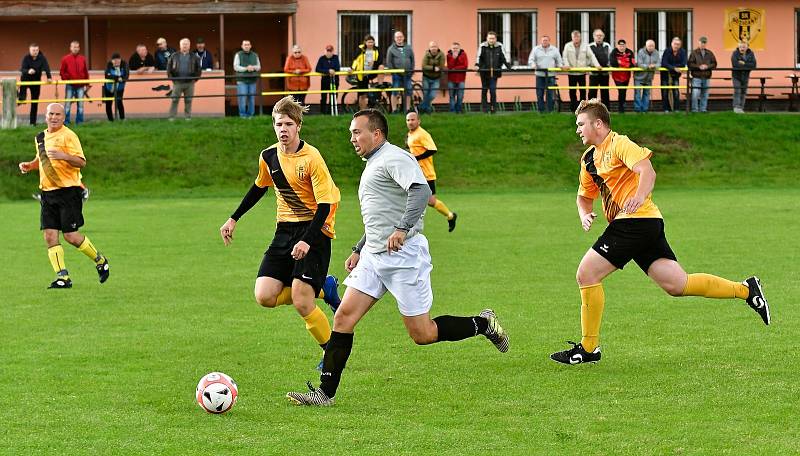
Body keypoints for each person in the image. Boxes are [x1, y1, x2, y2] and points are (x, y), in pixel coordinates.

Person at [286, 109, 508, 406]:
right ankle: (325, 394)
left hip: (404, 256)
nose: (352, 138)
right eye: (351, 132)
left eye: (357, 132)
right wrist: (359, 247)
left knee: (422, 333)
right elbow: (381, 214)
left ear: (376, 134)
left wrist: (403, 229)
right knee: (343, 317)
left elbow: (420, 192)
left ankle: (483, 324)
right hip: (375, 257)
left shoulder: (395, 158)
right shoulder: (374, 162)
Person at [549, 99, 770, 365]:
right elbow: (584, 196)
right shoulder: (588, 160)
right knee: (677, 284)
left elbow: (647, 171)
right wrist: (585, 214)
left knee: (586, 273)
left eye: (581, 124)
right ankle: (747, 290)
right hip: (645, 224)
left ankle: (588, 348)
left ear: (598, 123)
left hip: (635, 221)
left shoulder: (620, 144)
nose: (578, 130)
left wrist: (639, 196)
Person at [219, 96, 342, 370]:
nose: (283, 129)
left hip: (315, 228)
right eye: (278, 124)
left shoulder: (312, 158)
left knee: (300, 300)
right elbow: (259, 187)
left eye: (288, 123)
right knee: (264, 296)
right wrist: (233, 218)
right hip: (284, 230)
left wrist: (307, 241)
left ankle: (331, 352)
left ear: (298, 126)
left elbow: (324, 205)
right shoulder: (269, 155)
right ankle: (326, 288)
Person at [17, 103, 111, 289]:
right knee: (50, 236)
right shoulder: (40, 137)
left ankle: (100, 260)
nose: (54, 117)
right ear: (46, 116)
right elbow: (42, 159)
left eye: (58, 114)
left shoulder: (69, 135)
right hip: (47, 193)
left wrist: (64, 155)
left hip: (68, 192)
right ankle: (63, 277)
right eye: (51, 114)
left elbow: (81, 162)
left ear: (63, 117)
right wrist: (30, 165)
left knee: (71, 236)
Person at [405, 110, 457, 231]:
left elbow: (432, 149)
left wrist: (415, 158)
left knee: (430, 200)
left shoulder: (422, 134)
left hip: (426, 174)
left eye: (413, 119)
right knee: (411, 196)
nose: (410, 122)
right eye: (408, 120)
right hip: (416, 173)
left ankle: (450, 216)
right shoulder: (411, 134)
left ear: (418, 121)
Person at [562, 30, 601, 112]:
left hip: (582, 72)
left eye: (577, 37)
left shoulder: (585, 46)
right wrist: (566, 64)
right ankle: (573, 109)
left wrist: (597, 65)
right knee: (572, 91)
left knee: (582, 91)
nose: (576, 38)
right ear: (572, 38)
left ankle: (582, 109)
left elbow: (591, 56)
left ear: (580, 37)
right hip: (571, 72)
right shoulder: (567, 46)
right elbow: (565, 57)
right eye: (574, 37)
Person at [166, 38, 201, 121]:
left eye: (186, 44)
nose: (185, 45)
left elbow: (199, 69)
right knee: (174, 100)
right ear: (180, 45)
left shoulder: (194, 56)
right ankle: (172, 117)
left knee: (188, 100)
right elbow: (169, 68)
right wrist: (172, 79)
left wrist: (194, 80)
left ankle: (188, 117)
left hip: (190, 83)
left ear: (189, 45)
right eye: (183, 44)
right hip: (177, 82)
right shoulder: (174, 55)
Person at [475, 31, 509, 113]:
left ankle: (493, 108)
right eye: (490, 38)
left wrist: (509, 66)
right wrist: (477, 65)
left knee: (493, 90)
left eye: (493, 38)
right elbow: (478, 57)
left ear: (496, 39)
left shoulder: (500, 46)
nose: (491, 40)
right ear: (487, 38)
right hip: (484, 72)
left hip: (495, 72)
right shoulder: (482, 46)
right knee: (484, 90)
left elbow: (504, 57)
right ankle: (484, 109)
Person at [528, 35, 563, 113]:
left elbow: (559, 61)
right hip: (539, 75)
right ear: (541, 41)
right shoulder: (536, 49)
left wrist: (561, 67)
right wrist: (533, 65)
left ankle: (549, 110)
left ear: (549, 41)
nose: (545, 42)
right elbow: (531, 60)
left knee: (550, 94)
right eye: (543, 40)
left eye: (546, 40)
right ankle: (541, 111)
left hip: (551, 75)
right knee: (539, 94)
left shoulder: (554, 50)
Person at [19, 43, 52, 125]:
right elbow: (22, 69)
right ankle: (21, 97)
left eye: (37, 50)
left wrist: (49, 77)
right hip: (26, 79)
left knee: (34, 102)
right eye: (33, 50)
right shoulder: (26, 58)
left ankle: (32, 123)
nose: (35, 52)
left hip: (36, 81)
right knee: (22, 96)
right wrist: (28, 71)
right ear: (30, 50)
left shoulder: (42, 58)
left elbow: (46, 67)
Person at [59, 40, 89, 125]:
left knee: (81, 105)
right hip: (70, 85)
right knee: (67, 104)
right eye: (74, 47)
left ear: (79, 48)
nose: (75, 49)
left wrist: (87, 83)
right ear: (70, 48)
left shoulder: (82, 59)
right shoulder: (65, 59)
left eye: (77, 47)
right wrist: (67, 79)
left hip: (80, 85)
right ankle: (66, 122)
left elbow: (85, 71)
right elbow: (62, 72)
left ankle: (79, 122)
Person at [350, 35, 383, 110]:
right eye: (369, 42)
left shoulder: (377, 50)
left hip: (372, 72)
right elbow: (356, 60)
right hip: (362, 74)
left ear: (374, 42)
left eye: (372, 42)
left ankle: (380, 84)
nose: (370, 44)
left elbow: (380, 61)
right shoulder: (361, 50)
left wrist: (374, 63)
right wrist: (352, 68)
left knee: (381, 67)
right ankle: (362, 111)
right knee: (362, 94)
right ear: (365, 42)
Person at [385, 31, 414, 113]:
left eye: (400, 37)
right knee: (395, 91)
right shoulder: (391, 49)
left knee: (408, 91)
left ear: (403, 38)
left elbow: (412, 60)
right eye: (397, 37)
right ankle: (394, 109)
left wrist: (411, 71)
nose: (399, 39)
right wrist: (394, 72)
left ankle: (407, 109)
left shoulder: (409, 48)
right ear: (395, 39)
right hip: (396, 74)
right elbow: (389, 62)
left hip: (407, 74)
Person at [688, 36, 717, 113]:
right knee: (695, 94)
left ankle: (703, 109)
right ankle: (694, 110)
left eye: (704, 42)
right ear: (699, 42)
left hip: (707, 76)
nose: (703, 44)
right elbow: (690, 64)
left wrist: (707, 66)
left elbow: (714, 63)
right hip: (696, 76)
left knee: (705, 94)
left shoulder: (710, 53)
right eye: (701, 42)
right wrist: (699, 67)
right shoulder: (694, 53)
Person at [233, 39, 261, 118]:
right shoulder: (238, 55)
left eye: (248, 44)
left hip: (252, 80)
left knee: (251, 99)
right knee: (242, 98)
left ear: (250, 46)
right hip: (241, 80)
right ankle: (242, 115)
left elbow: (259, 67)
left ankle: (250, 115)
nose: (246, 46)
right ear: (242, 46)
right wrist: (246, 68)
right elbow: (236, 67)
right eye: (245, 45)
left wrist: (253, 67)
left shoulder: (255, 55)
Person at [660, 37, 687, 112]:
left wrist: (674, 67)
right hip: (665, 74)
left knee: (676, 91)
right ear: (672, 44)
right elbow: (664, 63)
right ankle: (666, 109)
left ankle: (676, 109)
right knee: (665, 91)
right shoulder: (667, 51)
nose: (676, 46)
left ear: (680, 45)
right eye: (675, 44)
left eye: (678, 44)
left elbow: (683, 63)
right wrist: (674, 68)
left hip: (675, 75)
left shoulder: (682, 51)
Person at [609, 39, 635, 114]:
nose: (621, 47)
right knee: (621, 91)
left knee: (624, 91)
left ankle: (622, 108)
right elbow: (614, 64)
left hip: (626, 76)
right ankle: (621, 108)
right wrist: (626, 64)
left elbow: (632, 64)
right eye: (620, 46)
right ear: (617, 46)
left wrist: (621, 63)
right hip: (617, 76)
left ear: (625, 46)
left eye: (623, 45)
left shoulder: (629, 52)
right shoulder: (614, 52)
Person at [634, 40, 659, 113]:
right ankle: (638, 109)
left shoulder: (656, 53)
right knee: (637, 93)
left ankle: (645, 109)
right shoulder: (641, 52)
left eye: (652, 46)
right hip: (639, 77)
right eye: (649, 46)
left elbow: (659, 64)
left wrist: (654, 66)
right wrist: (648, 66)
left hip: (649, 77)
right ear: (646, 46)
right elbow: (639, 64)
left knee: (646, 94)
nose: (651, 47)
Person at [731, 41, 756, 113]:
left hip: (746, 76)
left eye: (744, 47)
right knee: (737, 91)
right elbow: (735, 64)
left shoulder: (751, 54)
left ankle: (741, 108)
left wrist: (744, 63)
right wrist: (747, 65)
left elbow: (754, 65)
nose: (742, 48)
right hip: (736, 76)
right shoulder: (735, 53)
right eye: (740, 47)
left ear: (747, 47)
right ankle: (736, 108)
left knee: (743, 92)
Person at [588, 29, 612, 107]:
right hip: (593, 73)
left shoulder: (607, 46)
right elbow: (588, 58)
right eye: (597, 35)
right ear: (593, 37)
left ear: (603, 37)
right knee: (592, 92)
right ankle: (591, 109)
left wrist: (609, 67)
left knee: (605, 92)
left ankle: (606, 111)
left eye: (600, 35)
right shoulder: (589, 46)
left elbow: (610, 57)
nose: (599, 37)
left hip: (605, 73)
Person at [419, 41, 444, 113]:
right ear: (429, 48)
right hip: (426, 77)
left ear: (437, 47)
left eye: (435, 46)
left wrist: (437, 68)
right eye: (432, 47)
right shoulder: (426, 55)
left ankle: (420, 107)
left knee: (432, 95)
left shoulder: (441, 55)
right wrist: (433, 68)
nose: (433, 48)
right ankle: (427, 110)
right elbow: (424, 66)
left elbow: (441, 66)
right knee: (426, 94)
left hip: (436, 78)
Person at [315, 44, 341, 115]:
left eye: (330, 51)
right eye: (327, 51)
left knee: (333, 96)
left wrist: (333, 70)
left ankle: (331, 112)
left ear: (333, 51)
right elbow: (317, 69)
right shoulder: (322, 58)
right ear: (325, 51)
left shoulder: (336, 57)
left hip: (334, 80)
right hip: (325, 81)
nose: (329, 52)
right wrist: (328, 71)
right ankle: (323, 112)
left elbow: (337, 67)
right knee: (323, 97)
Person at [103, 52, 129, 121]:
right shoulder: (109, 64)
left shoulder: (124, 64)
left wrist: (122, 78)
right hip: (108, 88)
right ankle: (110, 120)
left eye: (118, 60)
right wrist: (117, 78)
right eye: (114, 60)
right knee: (108, 104)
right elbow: (107, 75)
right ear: (112, 61)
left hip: (119, 88)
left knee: (119, 102)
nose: (116, 62)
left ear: (120, 60)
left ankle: (122, 119)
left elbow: (126, 76)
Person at [446, 42, 467, 113]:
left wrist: (455, 69)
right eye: (453, 48)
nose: (455, 50)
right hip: (451, 79)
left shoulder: (463, 55)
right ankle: (452, 111)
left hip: (461, 79)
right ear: (451, 49)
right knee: (452, 96)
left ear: (459, 49)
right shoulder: (448, 55)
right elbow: (449, 66)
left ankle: (459, 110)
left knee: (460, 96)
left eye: (456, 48)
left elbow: (465, 66)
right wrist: (454, 58)